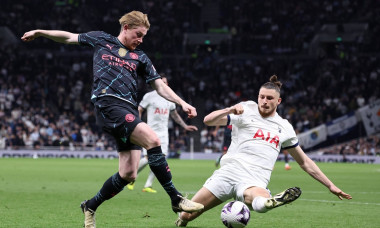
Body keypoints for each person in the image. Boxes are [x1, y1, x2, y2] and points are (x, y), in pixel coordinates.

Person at [21, 10, 204, 228]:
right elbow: (69, 36)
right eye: (138, 34)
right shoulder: (101, 39)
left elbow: (159, 86)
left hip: (128, 111)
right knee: (154, 141)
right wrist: (40, 32)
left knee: (128, 173)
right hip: (108, 104)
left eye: (144, 36)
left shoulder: (141, 57)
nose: (141, 40)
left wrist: (182, 103)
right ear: (125, 27)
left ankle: (90, 206)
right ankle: (176, 199)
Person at [175, 75, 352, 227]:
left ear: (278, 101)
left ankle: (271, 201)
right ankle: (182, 220)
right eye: (262, 97)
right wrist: (229, 109)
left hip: (255, 179)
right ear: (257, 97)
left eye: (269, 98)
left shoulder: (284, 127)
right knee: (186, 215)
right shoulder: (246, 109)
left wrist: (330, 185)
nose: (265, 101)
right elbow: (208, 120)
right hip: (229, 172)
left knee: (262, 203)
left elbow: (304, 162)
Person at [126, 76, 198, 193]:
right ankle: (131, 177)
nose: (163, 84)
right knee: (148, 158)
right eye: (161, 82)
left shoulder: (170, 98)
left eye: (165, 83)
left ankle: (148, 185)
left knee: (161, 159)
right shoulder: (149, 96)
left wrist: (185, 126)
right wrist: (138, 124)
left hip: (164, 133)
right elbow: (139, 109)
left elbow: (174, 115)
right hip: (150, 131)